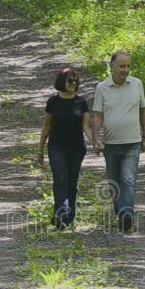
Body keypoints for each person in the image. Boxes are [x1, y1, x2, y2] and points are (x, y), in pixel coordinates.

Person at [91, 51, 145, 232]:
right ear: (112, 66)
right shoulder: (102, 88)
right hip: (110, 144)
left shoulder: (137, 84)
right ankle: (121, 213)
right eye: (122, 66)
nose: (126, 70)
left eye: (128, 66)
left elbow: (143, 111)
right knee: (114, 181)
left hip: (132, 142)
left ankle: (126, 214)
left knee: (128, 179)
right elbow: (98, 116)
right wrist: (95, 139)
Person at [38, 67, 92, 230]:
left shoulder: (81, 102)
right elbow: (46, 126)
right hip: (57, 147)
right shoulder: (53, 102)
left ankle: (69, 216)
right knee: (60, 179)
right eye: (70, 80)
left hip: (76, 148)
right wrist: (40, 149)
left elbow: (86, 127)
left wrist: (96, 141)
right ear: (62, 81)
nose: (73, 83)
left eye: (75, 81)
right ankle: (60, 214)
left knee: (72, 182)